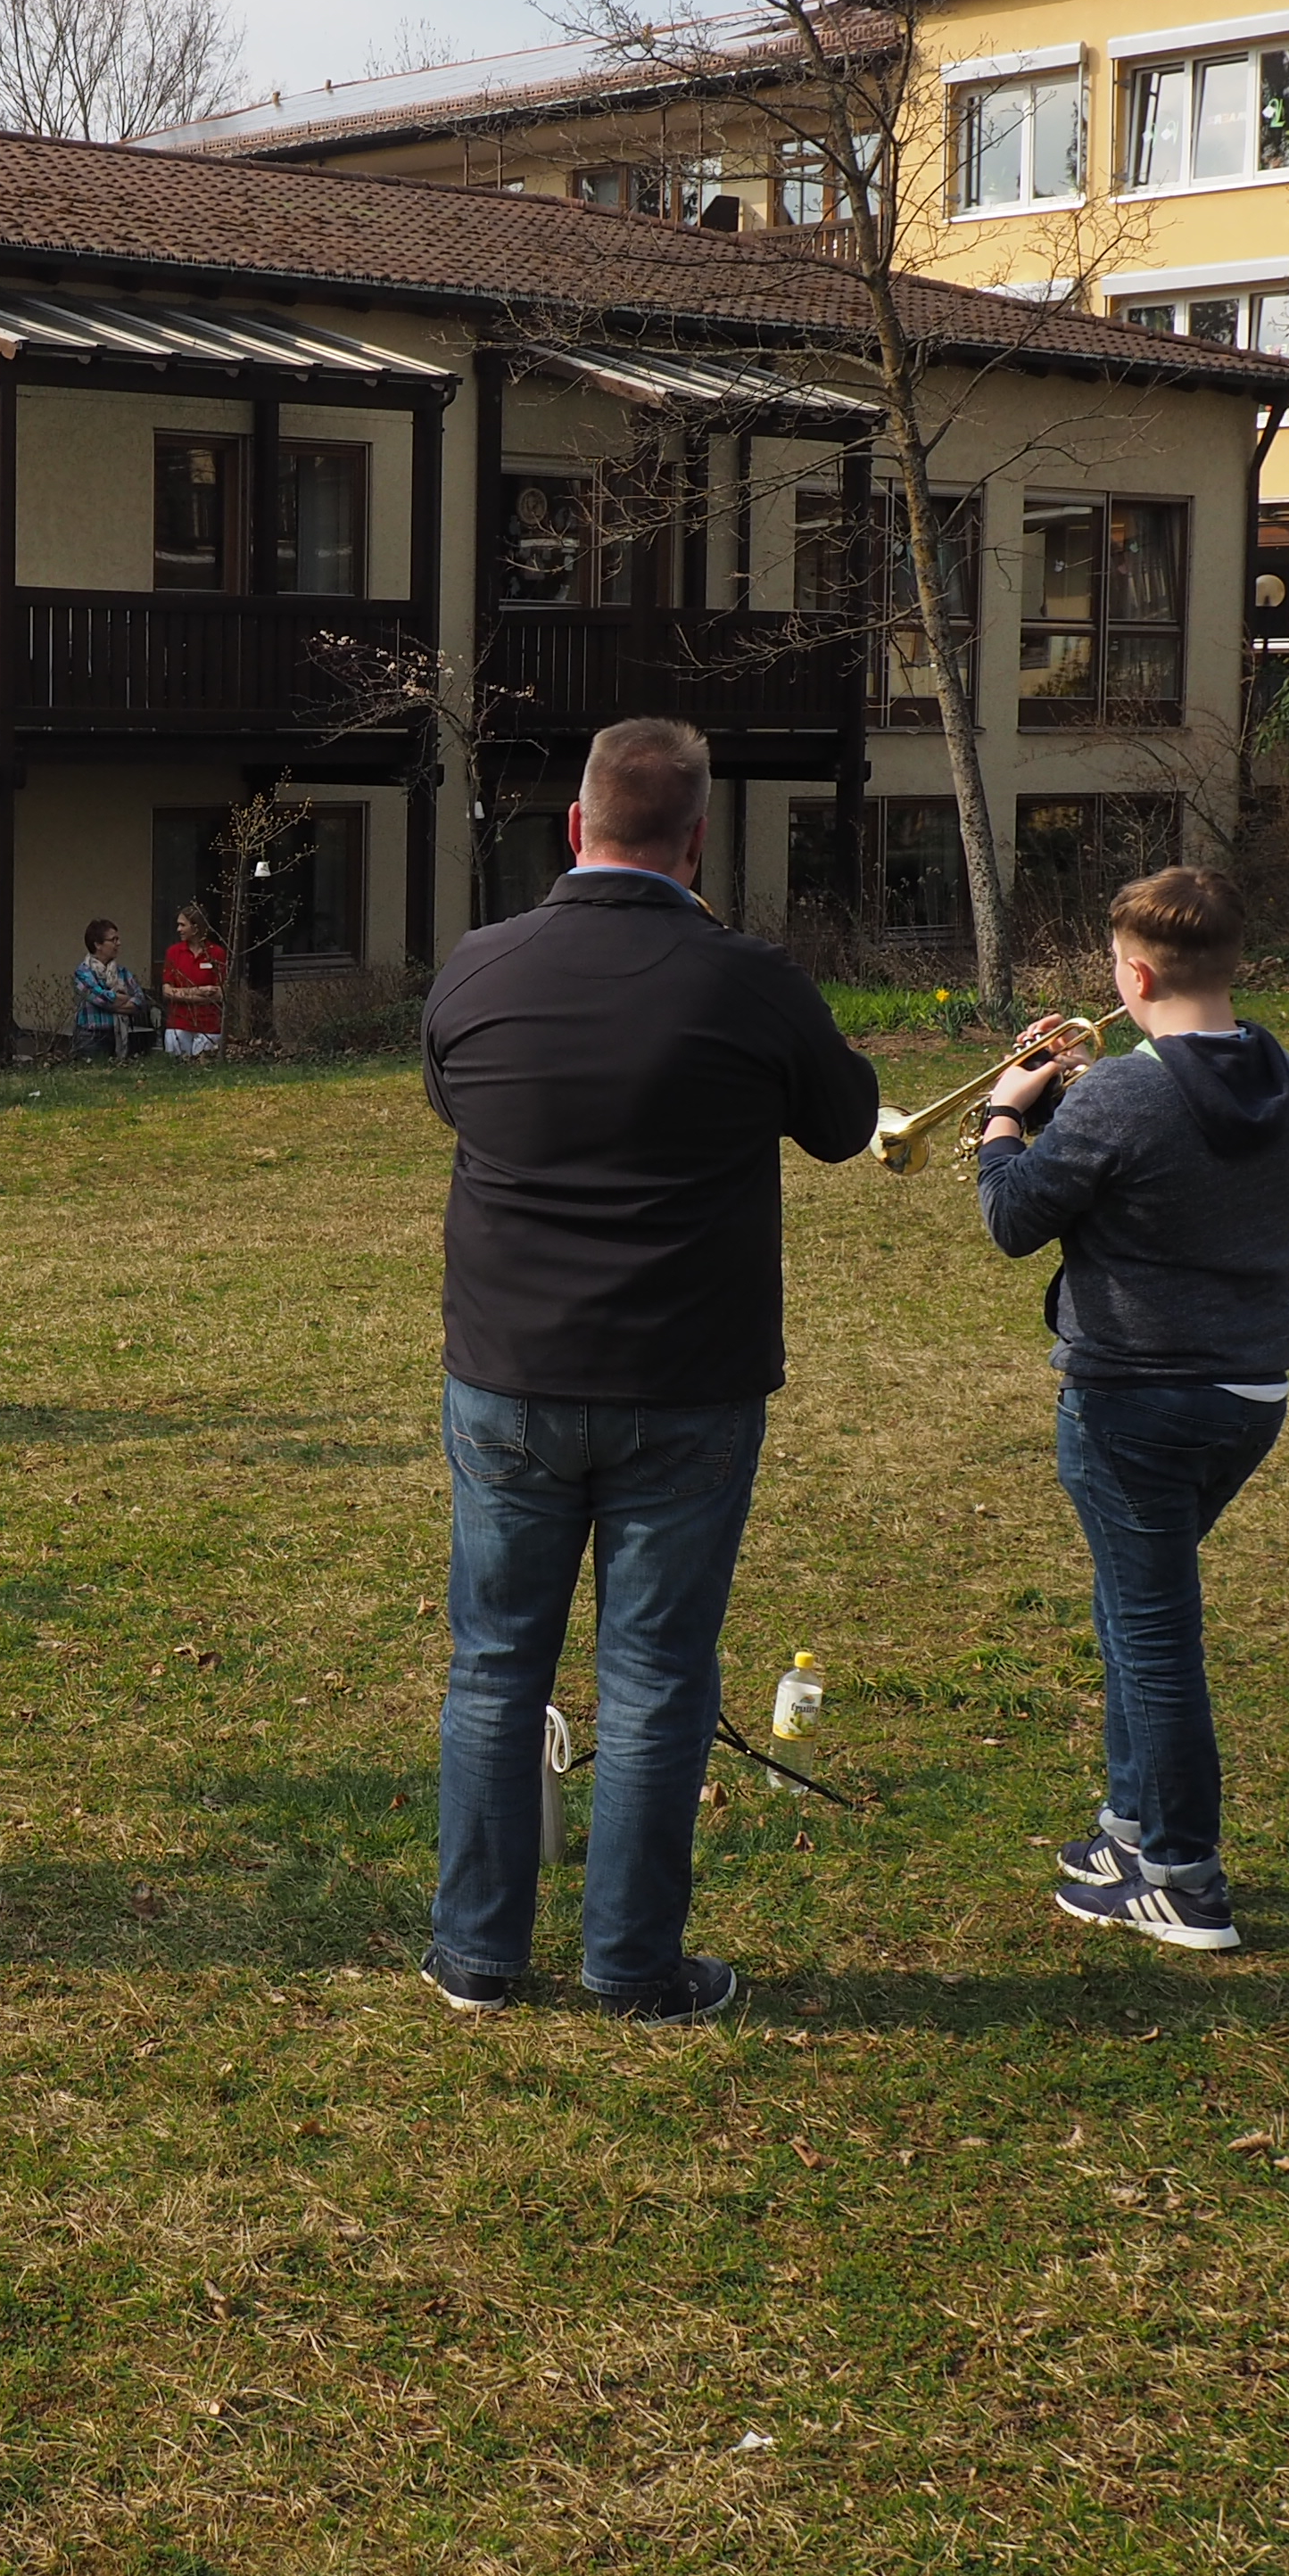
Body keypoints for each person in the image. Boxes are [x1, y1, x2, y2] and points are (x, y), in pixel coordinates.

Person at [417, 717, 879, 2025]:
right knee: (660, 1671)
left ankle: (477, 1955)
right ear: (697, 839)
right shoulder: (748, 979)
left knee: (496, 1667)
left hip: (510, 1372)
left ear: (574, 826)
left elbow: (456, 1097)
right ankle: (632, 1964)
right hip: (685, 1380)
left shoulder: (481, 966)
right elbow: (845, 1123)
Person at [972, 864, 1289, 1955]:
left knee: (1156, 1637)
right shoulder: (1280, 1074)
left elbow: (1015, 1219)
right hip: (1246, 1389)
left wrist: (1002, 1111)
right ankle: (1130, 1831)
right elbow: (1168, 1152)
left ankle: (1180, 1873)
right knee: (1138, 1613)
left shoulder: (1129, 1090)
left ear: (1131, 971)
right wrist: (1078, 1084)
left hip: (1137, 1397)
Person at [72, 918, 148, 1057]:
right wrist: (126, 999)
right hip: (90, 1038)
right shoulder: (83, 972)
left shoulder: (123, 972)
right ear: (98, 945)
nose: (118, 944)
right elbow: (101, 999)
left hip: (118, 1034)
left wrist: (111, 1004)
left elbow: (140, 1000)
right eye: (113, 940)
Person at [160, 904, 227, 1057]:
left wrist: (184, 995)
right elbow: (167, 991)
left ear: (196, 927)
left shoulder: (216, 953)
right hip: (178, 1023)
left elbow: (221, 993)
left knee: (205, 1072)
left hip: (209, 1024)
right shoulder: (173, 953)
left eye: (183, 925)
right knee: (176, 1071)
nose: (178, 929)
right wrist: (200, 992)